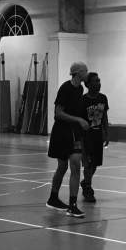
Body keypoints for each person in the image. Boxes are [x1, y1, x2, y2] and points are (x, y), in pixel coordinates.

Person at [46, 62, 89, 218]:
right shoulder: (66, 88)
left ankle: (72, 205)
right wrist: (78, 120)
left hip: (74, 132)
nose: (87, 74)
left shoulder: (80, 89)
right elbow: (58, 113)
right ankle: (53, 198)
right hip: (62, 132)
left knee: (75, 166)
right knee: (62, 167)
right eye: (85, 71)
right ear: (78, 73)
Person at [80, 72, 109, 202]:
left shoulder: (103, 98)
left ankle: (85, 181)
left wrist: (106, 133)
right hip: (86, 136)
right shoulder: (83, 100)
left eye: (99, 80)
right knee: (88, 164)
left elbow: (104, 117)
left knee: (95, 164)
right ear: (88, 84)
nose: (99, 83)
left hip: (98, 135)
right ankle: (88, 188)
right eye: (96, 81)